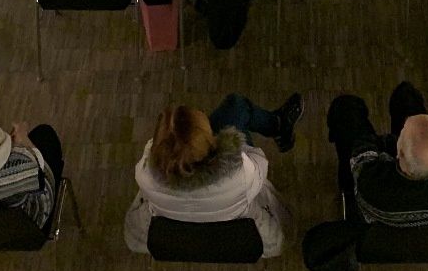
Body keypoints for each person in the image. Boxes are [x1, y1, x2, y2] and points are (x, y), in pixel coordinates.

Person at [123, 93, 304, 257]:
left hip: (176, 237)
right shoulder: (241, 173)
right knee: (236, 108)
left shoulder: (145, 176)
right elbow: (260, 163)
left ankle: (278, 124)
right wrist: (233, 147)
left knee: (234, 110)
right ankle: (279, 125)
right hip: (247, 236)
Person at [326, 81, 428, 226]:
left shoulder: (372, 184)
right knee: (407, 95)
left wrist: (387, 141)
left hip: (376, 217)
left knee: (345, 108)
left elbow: (362, 149)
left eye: (402, 131)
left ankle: (345, 185)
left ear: (399, 153)